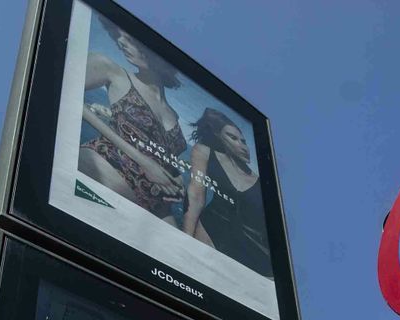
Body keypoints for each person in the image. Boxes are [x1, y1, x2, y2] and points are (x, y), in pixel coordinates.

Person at [78, 18, 187, 222]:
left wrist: (176, 180)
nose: (120, 42)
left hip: (151, 212)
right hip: (100, 177)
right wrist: (143, 161)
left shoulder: (174, 114)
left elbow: (162, 160)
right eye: (118, 37)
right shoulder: (113, 71)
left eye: (129, 38)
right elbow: (67, 92)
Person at [182, 108, 272, 277]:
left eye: (244, 141)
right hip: (211, 234)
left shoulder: (259, 183)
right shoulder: (205, 152)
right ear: (218, 136)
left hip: (250, 255)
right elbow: (195, 196)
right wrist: (185, 240)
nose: (243, 146)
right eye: (233, 138)